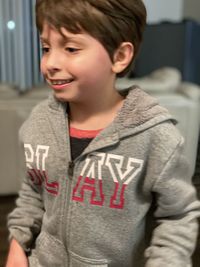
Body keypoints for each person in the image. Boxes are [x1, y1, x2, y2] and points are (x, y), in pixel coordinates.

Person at [6, 0, 200, 266]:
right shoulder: (40, 122)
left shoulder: (155, 137)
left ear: (119, 57)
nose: (50, 62)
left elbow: (178, 216)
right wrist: (18, 243)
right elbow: (33, 189)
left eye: (71, 48)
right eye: (46, 48)